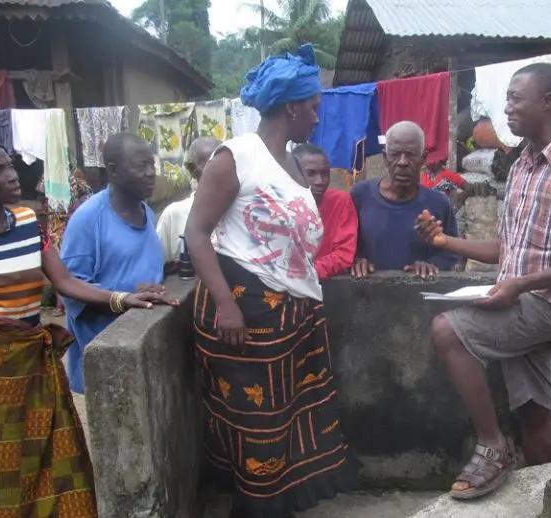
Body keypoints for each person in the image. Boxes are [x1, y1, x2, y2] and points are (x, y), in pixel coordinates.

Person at [0, 135, 176, 518]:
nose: (12, 175)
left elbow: (67, 282)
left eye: (10, 165)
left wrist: (122, 299)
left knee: (53, 464)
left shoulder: (28, 224)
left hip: (32, 366)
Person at [416, 62, 551, 499]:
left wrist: (519, 286)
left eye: (514, 98)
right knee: (533, 410)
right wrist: (446, 241)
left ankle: (491, 446)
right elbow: (509, 249)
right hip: (518, 298)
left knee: (448, 331)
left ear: (549, 102)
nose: (505, 108)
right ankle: (542, 498)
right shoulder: (522, 164)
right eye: (506, 98)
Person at [185, 44, 358, 518]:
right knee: (260, 426)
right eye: (314, 107)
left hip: (292, 314)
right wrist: (225, 304)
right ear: (291, 107)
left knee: (288, 420)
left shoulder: (294, 162)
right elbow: (196, 233)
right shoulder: (235, 157)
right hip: (247, 310)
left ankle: (273, 506)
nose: (318, 117)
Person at [60, 132, 168, 394]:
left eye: (151, 164)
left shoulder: (147, 213)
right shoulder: (88, 220)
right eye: (140, 166)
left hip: (146, 340)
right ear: (113, 171)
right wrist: (123, 298)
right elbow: (70, 286)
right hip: (107, 352)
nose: (150, 173)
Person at [350, 121, 459, 279]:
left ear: (423, 159)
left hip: (419, 296)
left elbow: (451, 254)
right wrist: (357, 260)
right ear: (385, 157)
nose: (402, 162)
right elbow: (345, 244)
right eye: (395, 154)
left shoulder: (438, 204)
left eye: (410, 155)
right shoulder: (361, 195)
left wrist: (432, 265)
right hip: (366, 296)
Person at [293, 143, 358, 279]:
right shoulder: (277, 205)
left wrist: (308, 273)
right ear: (293, 173)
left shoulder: (340, 201)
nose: (320, 181)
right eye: (311, 174)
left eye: (325, 174)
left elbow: (344, 254)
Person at [157, 136, 221, 272]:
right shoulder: (174, 214)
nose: (222, 171)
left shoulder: (242, 211)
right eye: (213, 164)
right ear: (193, 170)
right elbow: (158, 267)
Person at [37, 166, 94, 315]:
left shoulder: (72, 180)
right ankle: (60, 304)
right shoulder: (48, 178)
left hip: (66, 226)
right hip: (57, 227)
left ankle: (62, 304)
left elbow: (87, 193)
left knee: (63, 267)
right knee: (58, 267)